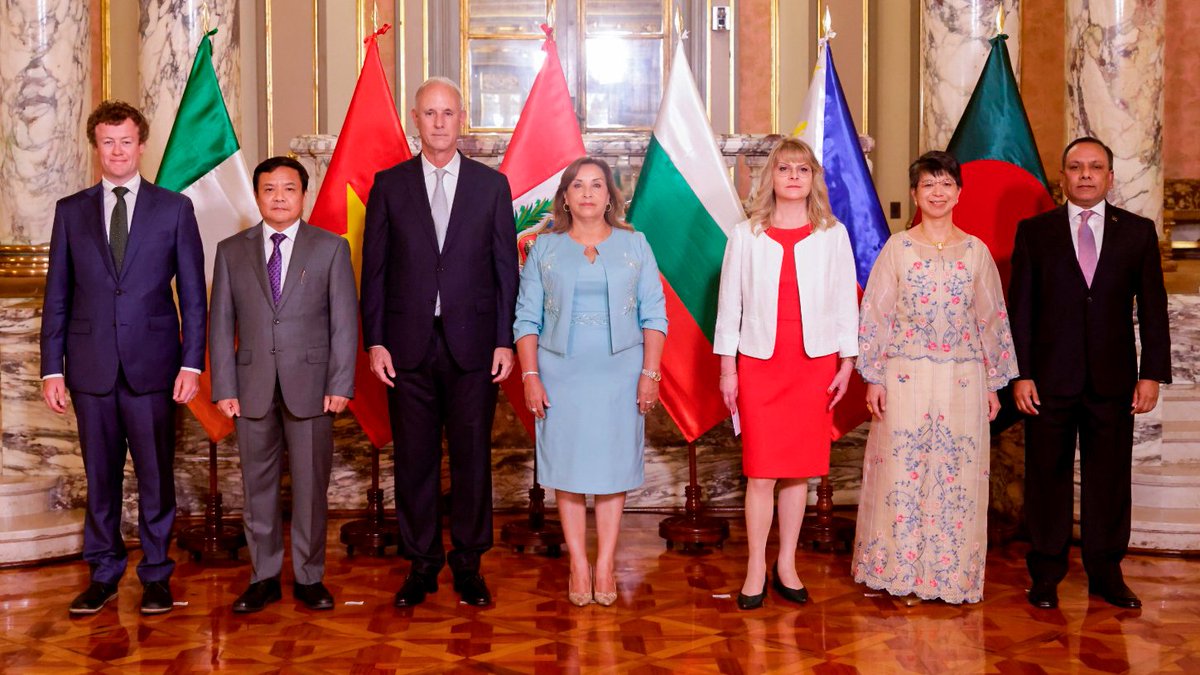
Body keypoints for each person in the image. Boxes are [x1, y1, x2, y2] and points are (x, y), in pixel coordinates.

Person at [40, 100, 206, 615]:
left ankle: (156, 575)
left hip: (154, 368)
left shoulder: (174, 208)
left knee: (157, 476)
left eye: (126, 141)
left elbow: (194, 294)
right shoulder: (71, 211)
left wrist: (192, 362)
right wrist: (52, 366)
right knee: (101, 478)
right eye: (108, 141)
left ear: (141, 144)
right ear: (96, 146)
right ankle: (104, 573)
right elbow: (58, 295)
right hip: (89, 370)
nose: (117, 150)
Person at [361, 77, 519, 608]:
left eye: (448, 113)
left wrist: (505, 340)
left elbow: (504, 270)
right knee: (415, 459)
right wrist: (375, 341)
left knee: (473, 458)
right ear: (415, 119)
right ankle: (422, 563)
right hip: (406, 346)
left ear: (462, 118)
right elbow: (374, 271)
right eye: (429, 113)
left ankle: (469, 564)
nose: (439, 122)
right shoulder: (389, 184)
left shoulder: (491, 186)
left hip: (475, 346)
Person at [1010, 137, 1171, 610]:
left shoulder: (1137, 232)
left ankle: (1106, 573)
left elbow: (1154, 310)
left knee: (1108, 479)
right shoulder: (1034, 232)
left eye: (1095, 167)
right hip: (1047, 381)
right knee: (1046, 477)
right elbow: (1020, 309)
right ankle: (1045, 574)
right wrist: (1021, 374)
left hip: (1114, 382)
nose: (1085, 174)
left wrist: (1151, 374)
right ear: (1062, 177)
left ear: (1109, 177)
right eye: (1076, 167)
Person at [852, 151, 1017, 605]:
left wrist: (993, 383)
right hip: (905, 375)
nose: (938, 192)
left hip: (963, 377)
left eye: (945, 184)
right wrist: (874, 376)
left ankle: (948, 575)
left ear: (959, 192)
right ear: (914, 194)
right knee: (901, 469)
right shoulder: (897, 249)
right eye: (928, 185)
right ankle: (898, 569)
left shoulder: (976, 251)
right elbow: (875, 316)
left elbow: (991, 320)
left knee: (956, 472)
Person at [513, 157, 667, 607]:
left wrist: (649, 374)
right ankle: (579, 564)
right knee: (568, 468)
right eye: (577, 185)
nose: (587, 193)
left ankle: (605, 565)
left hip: (621, 373)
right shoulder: (543, 248)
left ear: (610, 196)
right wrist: (530, 376)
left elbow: (654, 314)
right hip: (561, 373)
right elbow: (526, 319)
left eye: (596, 185)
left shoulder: (635, 245)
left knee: (612, 469)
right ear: (564, 196)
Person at [713, 138, 859, 610]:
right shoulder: (746, 234)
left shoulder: (831, 233)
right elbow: (728, 306)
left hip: (814, 363)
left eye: (802, 168)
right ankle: (756, 565)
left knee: (799, 472)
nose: (794, 176)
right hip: (759, 362)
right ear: (770, 178)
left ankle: (787, 564)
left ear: (813, 177)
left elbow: (844, 302)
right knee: (761, 471)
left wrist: (848, 362)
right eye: (784, 168)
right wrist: (727, 368)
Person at [209, 156, 358, 613]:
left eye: (288, 189)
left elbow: (345, 323)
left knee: (312, 488)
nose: (278, 197)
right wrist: (224, 386)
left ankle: (310, 577)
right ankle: (264, 576)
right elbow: (220, 325)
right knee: (258, 489)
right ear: (256, 196)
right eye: (269, 189)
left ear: (303, 195)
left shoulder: (330, 248)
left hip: (313, 386)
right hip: (250, 387)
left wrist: (341, 382)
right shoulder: (232, 250)